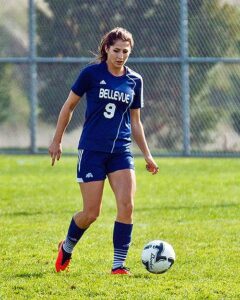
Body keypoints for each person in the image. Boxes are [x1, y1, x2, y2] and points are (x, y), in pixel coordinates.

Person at [48, 27, 159, 275]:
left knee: (127, 205)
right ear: (106, 49)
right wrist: (57, 140)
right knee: (91, 213)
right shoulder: (91, 74)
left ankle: (118, 265)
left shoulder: (135, 80)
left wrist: (147, 155)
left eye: (125, 52)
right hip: (92, 151)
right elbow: (69, 107)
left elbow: (136, 122)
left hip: (120, 150)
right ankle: (66, 247)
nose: (121, 56)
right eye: (116, 50)